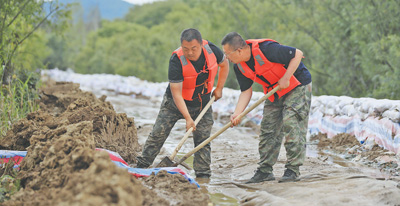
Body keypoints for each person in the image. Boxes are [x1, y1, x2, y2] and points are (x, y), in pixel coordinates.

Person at [136, 28, 229, 178]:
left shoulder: (211, 50)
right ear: (181, 46)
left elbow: (224, 65)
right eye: (186, 49)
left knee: (203, 140)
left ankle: (203, 175)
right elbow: (176, 93)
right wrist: (187, 117)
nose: (190, 53)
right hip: (174, 104)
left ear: (200, 44)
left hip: (202, 104)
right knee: (157, 135)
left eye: (194, 48)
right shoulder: (176, 60)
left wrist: (219, 88)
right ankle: (141, 166)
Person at [221, 32, 312, 183]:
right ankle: (264, 171)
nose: (227, 58)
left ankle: (292, 170)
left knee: (291, 122)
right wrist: (237, 113)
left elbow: (298, 54)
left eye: (227, 54)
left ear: (239, 51)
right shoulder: (240, 67)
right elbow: (245, 91)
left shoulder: (267, 49)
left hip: (296, 85)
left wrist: (286, 77)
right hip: (275, 91)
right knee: (268, 129)